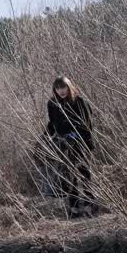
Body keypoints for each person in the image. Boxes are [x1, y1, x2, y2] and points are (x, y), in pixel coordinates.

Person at [44, 76, 96, 217]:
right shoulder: (52, 104)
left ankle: (89, 206)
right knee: (69, 176)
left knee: (84, 174)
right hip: (64, 144)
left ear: (69, 87)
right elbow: (53, 124)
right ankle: (73, 208)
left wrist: (82, 139)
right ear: (55, 89)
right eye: (58, 88)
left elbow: (87, 124)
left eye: (64, 87)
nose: (61, 90)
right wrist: (45, 138)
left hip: (81, 142)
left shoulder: (79, 101)